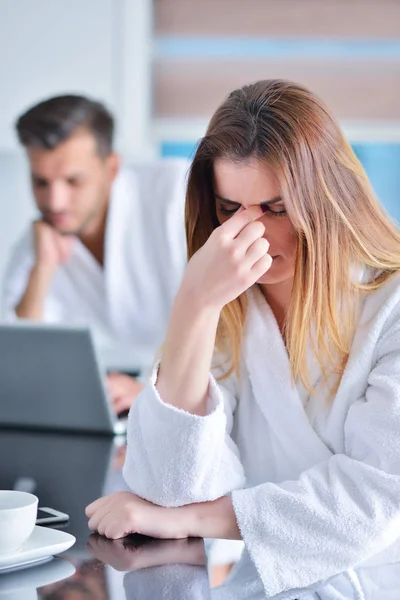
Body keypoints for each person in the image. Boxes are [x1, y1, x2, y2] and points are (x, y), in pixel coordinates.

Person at [86, 79, 400, 597]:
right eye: (231, 210)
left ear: (328, 199)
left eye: (276, 209)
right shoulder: (227, 309)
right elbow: (168, 490)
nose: (251, 235)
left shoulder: (388, 306)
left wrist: (199, 521)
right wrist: (194, 307)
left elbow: (377, 499)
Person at [2, 95, 188, 414]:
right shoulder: (40, 238)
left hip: (198, 392)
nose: (55, 202)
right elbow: (16, 364)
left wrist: (154, 391)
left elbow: (229, 317)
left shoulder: (174, 195)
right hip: (117, 403)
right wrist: (42, 269)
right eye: (40, 182)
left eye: (73, 181)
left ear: (111, 167)